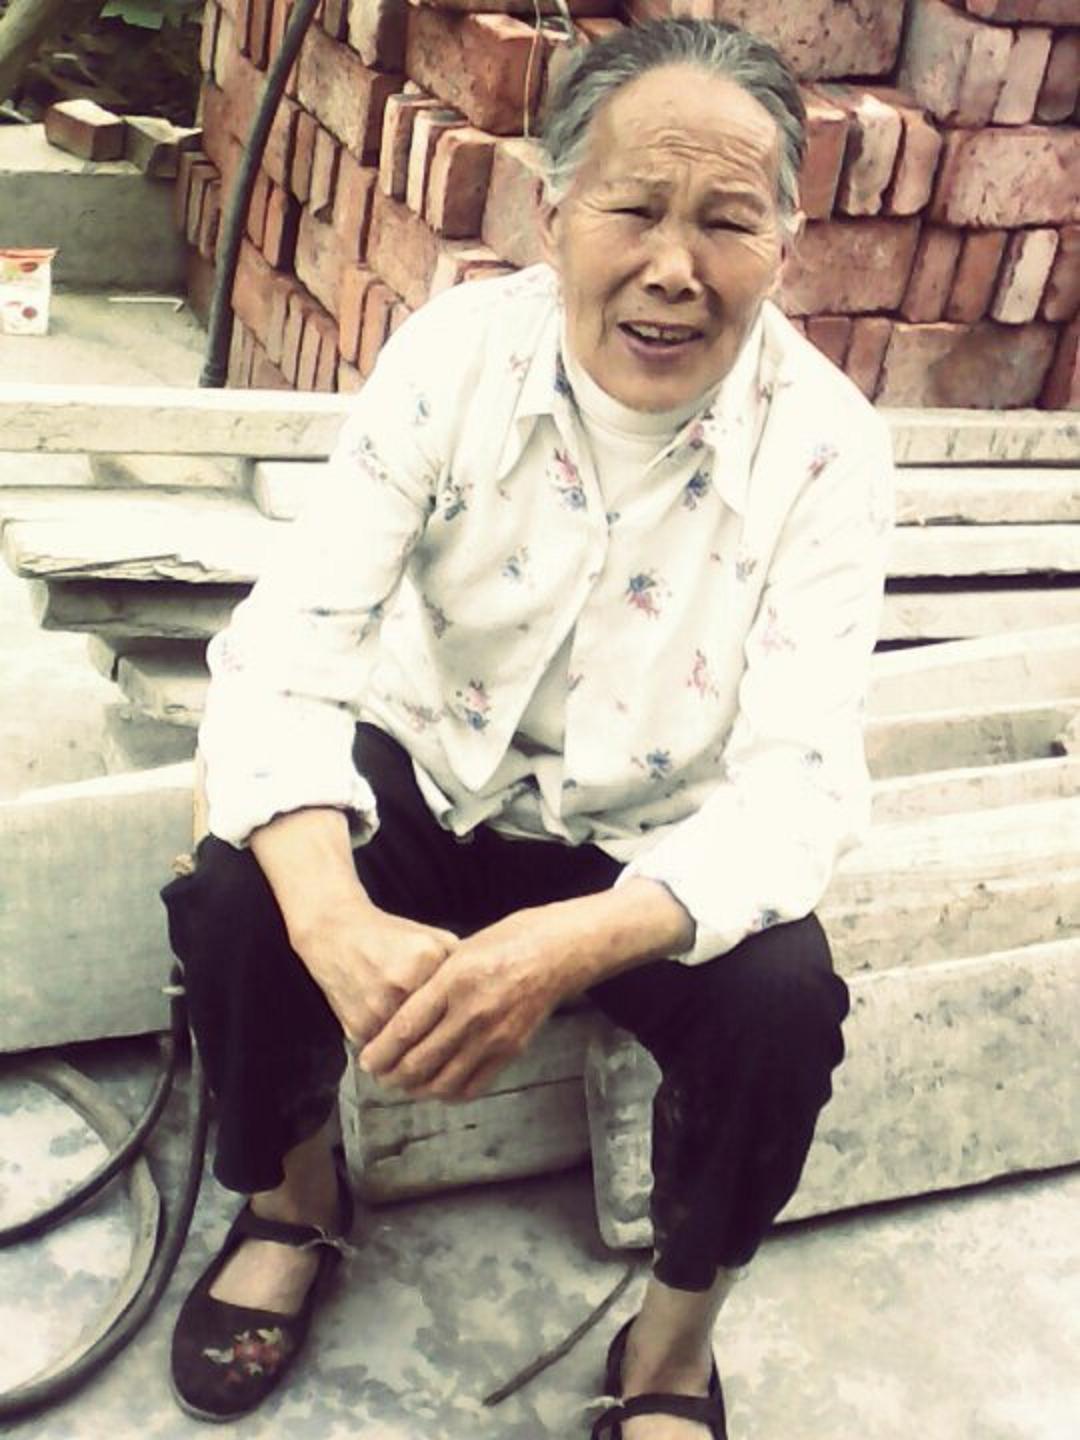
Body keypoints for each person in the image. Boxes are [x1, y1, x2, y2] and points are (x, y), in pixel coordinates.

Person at [162, 17, 894, 1439]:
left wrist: (568, 943)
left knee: (784, 1002)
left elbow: (803, 786)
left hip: (645, 839)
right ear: (555, 211)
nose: (673, 268)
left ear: (785, 244)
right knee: (242, 890)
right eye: (634, 208)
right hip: (433, 774)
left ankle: (672, 1346)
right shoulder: (457, 359)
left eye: (727, 221)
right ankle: (295, 1206)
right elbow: (287, 649)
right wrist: (333, 917)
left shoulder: (827, 448)